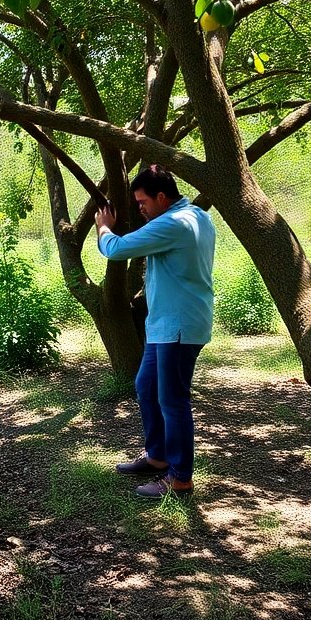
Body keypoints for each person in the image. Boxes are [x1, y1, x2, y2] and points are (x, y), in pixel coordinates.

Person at [95, 165, 215, 498]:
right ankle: (158, 457)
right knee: (146, 386)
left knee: (173, 401)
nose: (139, 208)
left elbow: (116, 249)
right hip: (165, 325)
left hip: (178, 326)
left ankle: (179, 480)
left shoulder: (173, 224)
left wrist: (104, 228)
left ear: (162, 197)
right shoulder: (197, 216)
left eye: (142, 201)